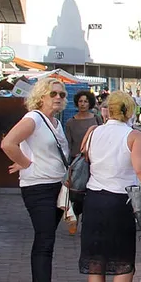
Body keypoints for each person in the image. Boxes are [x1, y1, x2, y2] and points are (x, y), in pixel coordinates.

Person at [1, 78, 71, 282]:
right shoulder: (33, 119)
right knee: (45, 240)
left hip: (55, 186)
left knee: (45, 238)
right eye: (53, 93)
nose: (59, 97)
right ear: (41, 95)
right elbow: (8, 143)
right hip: (37, 187)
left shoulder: (55, 122)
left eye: (62, 94)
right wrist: (25, 162)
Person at [80, 91, 141, 282]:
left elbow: (86, 159)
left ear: (107, 110)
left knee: (95, 260)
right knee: (122, 259)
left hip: (93, 199)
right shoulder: (133, 135)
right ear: (129, 111)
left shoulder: (92, 133)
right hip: (120, 201)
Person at [64, 91, 103, 235]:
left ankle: (88, 222)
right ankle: (74, 219)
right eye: (80, 101)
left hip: (94, 160)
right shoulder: (70, 122)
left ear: (90, 103)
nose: (83, 104)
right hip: (77, 161)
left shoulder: (97, 119)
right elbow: (67, 144)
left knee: (92, 192)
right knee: (78, 193)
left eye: (86, 101)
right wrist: (69, 165)